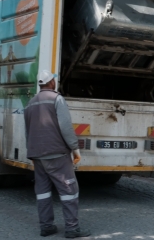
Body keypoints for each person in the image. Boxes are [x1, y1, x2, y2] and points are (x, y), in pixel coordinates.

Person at [24, 69, 91, 238]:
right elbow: (66, 128)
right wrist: (75, 149)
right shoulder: (57, 99)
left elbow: (28, 131)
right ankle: (72, 228)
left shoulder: (30, 102)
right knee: (69, 190)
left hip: (37, 154)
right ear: (52, 82)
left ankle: (46, 226)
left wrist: (32, 153)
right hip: (57, 153)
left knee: (43, 191)